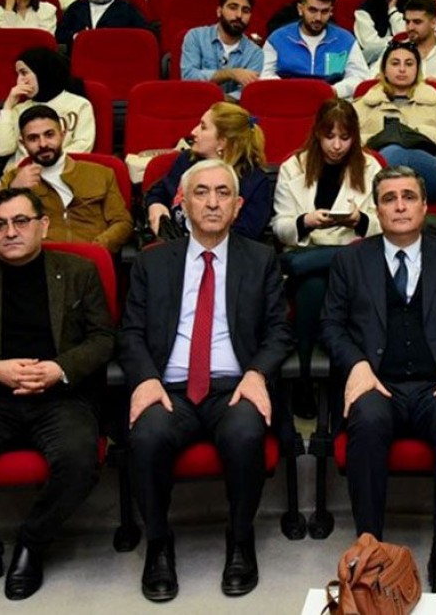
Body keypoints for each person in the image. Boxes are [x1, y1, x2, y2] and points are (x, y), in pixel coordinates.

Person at [0, 188, 114, 606]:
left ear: (43, 225)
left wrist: (59, 368)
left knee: (80, 457)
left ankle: (32, 542)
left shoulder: (80, 271)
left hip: (61, 397)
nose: (11, 232)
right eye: (0, 224)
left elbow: (104, 339)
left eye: (21, 221)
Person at [120, 158, 294, 600]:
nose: (212, 202)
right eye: (201, 193)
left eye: (222, 194)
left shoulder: (260, 259)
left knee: (244, 433)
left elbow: (279, 331)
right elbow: (131, 332)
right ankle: (158, 544)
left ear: (237, 206)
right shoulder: (152, 262)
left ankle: (240, 539)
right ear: (182, 203)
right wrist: (144, 379)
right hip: (170, 386)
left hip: (233, 385)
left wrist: (257, 373)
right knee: (146, 436)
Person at [319, 165, 436, 594]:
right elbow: (331, 326)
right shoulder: (350, 259)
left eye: (408, 196)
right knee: (368, 419)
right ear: (376, 209)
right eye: (389, 198)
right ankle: (372, 550)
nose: (399, 205)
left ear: (424, 205)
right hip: (379, 382)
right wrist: (357, 364)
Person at [273, 99, 382, 392]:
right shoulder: (293, 166)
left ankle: (308, 380)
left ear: (355, 137)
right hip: (306, 249)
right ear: (317, 134)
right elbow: (280, 226)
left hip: (352, 259)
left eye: (344, 138)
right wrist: (306, 221)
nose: (336, 146)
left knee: (309, 276)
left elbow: (382, 223)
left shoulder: (369, 165)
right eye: (329, 137)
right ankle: (315, 381)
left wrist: (358, 220)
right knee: (313, 285)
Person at [0, 105, 132, 253]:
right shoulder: (12, 178)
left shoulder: (101, 173)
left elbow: (122, 223)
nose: (43, 144)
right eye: (33, 138)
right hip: (40, 262)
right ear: (23, 143)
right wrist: (14, 191)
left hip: (90, 260)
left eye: (49, 135)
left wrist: (97, 248)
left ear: (62, 135)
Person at [143, 101, 272, 241]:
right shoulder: (186, 161)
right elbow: (159, 191)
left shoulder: (255, 182)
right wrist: (155, 205)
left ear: (222, 141)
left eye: (203, 127)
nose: (193, 131)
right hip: (173, 250)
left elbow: (245, 236)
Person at [353, 40, 436, 203]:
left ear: (417, 70)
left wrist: (414, 132)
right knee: (392, 151)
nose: (402, 69)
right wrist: (384, 137)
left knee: (398, 153)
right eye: (395, 63)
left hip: (428, 171)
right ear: (384, 70)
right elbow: (346, 140)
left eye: (409, 64)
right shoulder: (360, 105)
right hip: (375, 167)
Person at [261, 0, 370, 96]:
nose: (318, 18)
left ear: (331, 11)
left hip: (331, 99)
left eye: (324, 11)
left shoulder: (345, 40)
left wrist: (335, 91)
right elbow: (264, 74)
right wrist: (288, 90)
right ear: (300, 9)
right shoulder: (277, 38)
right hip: (286, 97)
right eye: (312, 10)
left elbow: (360, 76)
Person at [0, 47, 95, 158]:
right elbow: (1, 150)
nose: (19, 81)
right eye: (18, 74)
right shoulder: (19, 109)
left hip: (63, 171)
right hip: (22, 172)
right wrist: (8, 106)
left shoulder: (79, 105)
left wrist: (45, 163)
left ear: (42, 72)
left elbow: (83, 147)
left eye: (24, 73)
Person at [179, 0, 264, 99]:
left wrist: (217, 102)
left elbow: (247, 93)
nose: (239, 15)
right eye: (233, 8)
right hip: (195, 103)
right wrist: (230, 73)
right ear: (219, 11)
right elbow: (188, 77)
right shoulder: (196, 36)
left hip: (232, 111)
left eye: (245, 11)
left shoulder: (255, 53)